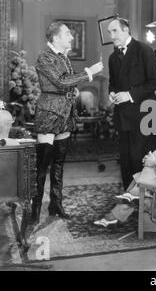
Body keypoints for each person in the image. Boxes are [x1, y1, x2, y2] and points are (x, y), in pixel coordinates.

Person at [31, 21, 104, 224]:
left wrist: (74, 90)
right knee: (42, 165)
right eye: (67, 34)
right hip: (49, 115)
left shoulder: (64, 58)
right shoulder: (45, 57)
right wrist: (89, 73)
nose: (71, 37)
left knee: (59, 165)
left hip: (65, 115)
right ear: (55, 38)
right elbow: (61, 81)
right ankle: (35, 209)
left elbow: (66, 83)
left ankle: (56, 204)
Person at [107, 17, 156, 191]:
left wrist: (129, 95)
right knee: (124, 158)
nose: (111, 35)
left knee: (137, 157)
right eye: (110, 32)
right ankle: (129, 194)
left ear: (125, 30)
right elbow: (113, 83)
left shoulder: (144, 50)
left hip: (143, 115)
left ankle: (142, 196)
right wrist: (112, 93)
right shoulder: (112, 57)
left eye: (114, 31)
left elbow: (155, 82)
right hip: (123, 116)